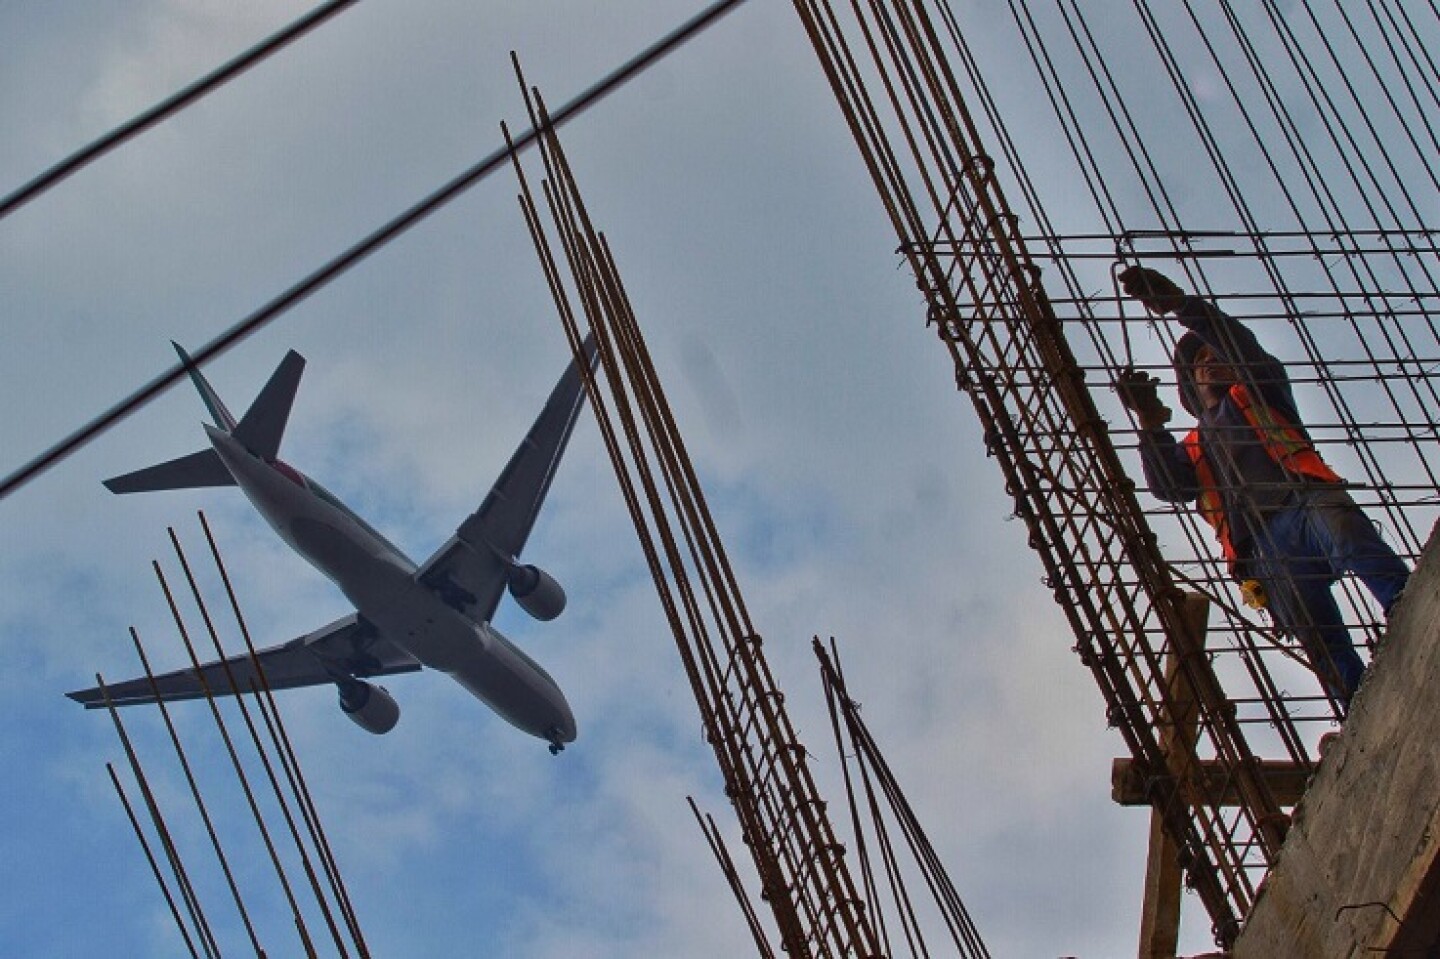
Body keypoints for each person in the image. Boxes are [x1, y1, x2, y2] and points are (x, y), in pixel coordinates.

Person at [1114, 265, 1409, 706]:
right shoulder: (1193, 446)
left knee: (1350, 537)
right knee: (1316, 631)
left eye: (1216, 354)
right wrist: (1150, 424)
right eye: (1199, 362)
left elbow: (1245, 350)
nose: (1210, 360)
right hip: (1262, 547)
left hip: (1304, 501)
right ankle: (1354, 702)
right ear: (1190, 386)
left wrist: (1183, 307)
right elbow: (1168, 486)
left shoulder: (1259, 391)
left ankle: (1408, 604)